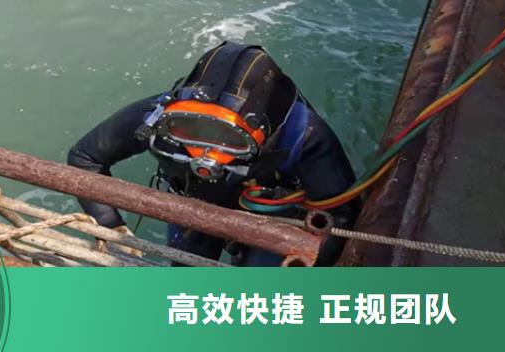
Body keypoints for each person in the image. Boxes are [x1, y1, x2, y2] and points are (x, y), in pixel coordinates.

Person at [67, 40, 360, 266]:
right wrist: (111, 226)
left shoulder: (303, 133)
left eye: (228, 139)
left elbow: (342, 215)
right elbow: (85, 158)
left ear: (265, 133)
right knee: (186, 279)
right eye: (190, 129)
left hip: (274, 220)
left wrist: (311, 261)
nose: (204, 153)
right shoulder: (157, 116)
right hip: (193, 208)